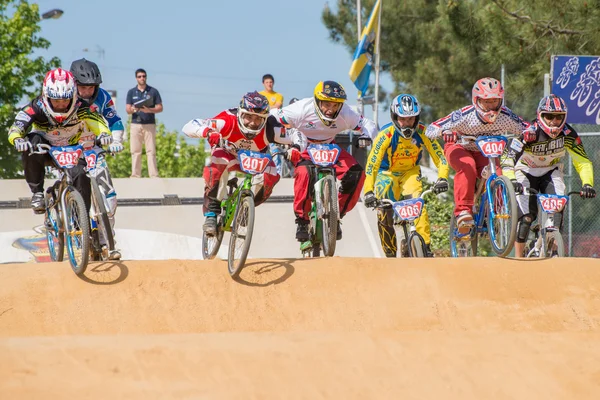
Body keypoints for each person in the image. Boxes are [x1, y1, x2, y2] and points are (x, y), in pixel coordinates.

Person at [7, 68, 121, 260]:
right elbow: (16, 126)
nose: (60, 105)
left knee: (81, 174)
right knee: (30, 142)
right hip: (46, 149)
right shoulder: (35, 107)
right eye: (56, 100)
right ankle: (37, 193)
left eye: (65, 100)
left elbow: (98, 123)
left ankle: (80, 217)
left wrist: (105, 136)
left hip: (71, 150)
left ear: (73, 95)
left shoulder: (82, 106)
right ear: (46, 95)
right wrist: (17, 138)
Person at [182, 91, 307, 235]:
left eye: (258, 119)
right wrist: (209, 132)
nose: (253, 123)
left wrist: (296, 148)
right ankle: (211, 213)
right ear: (240, 114)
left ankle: (246, 207)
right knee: (216, 165)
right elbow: (190, 125)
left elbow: (297, 135)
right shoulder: (227, 120)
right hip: (227, 154)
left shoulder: (271, 128)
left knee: (272, 174)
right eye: (248, 117)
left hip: (255, 159)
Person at [271, 80, 377, 241]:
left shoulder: (345, 113)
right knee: (304, 173)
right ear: (317, 101)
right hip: (305, 147)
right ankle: (302, 220)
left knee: (357, 174)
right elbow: (273, 117)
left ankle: (336, 215)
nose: (331, 110)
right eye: (327, 104)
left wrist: (366, 136)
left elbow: (368, 124)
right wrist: (285, 140)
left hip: (330, 147)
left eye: (335, 105)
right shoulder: (301, 108)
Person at [425, 77, 528, 234]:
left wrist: (530, 133)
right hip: (459, 146)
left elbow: (526, 127)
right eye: (486, 101)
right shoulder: (464, 115)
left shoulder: (506, 116)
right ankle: (463, 211)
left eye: (494, 101)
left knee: (498, 174)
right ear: (476, 100)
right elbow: (431, 128)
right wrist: (445, 132)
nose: (490, 106)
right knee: (468, 166)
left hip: (484, 151)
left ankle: (493, 213)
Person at [502, 94, 596, 257]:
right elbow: (507, 157)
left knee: (558, 208)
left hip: (551, 172)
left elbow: (583, 161)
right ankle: (518, 259)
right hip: (525, 172)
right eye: (549, 116)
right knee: (526, 218)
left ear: (564, 117)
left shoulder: (568, 134)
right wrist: (511, 179)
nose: (553, 121)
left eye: (558, 117)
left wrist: (587, 184)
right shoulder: (529, 132)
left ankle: (551, 246)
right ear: (540, 115)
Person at [363, 94, 450, 257]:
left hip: (410, 172)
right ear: (394, 117)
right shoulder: (385, 135)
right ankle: (390, 253)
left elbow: (441, 159)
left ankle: (426, 248)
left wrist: (442, 178)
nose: (407, 124)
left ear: (417, 118)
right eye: (403, 119)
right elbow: (371, 165)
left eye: (411, 119)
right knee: (384, 210)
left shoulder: (424, 132)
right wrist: (368, 191)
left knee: (418, 205)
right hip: (386, 173)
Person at [70, 58, 125, 259]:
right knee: (76, 186)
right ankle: (74, 227)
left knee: (109, 197)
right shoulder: (65, 98)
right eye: (83, 87)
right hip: (70, 151)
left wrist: (116, 140)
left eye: (91, 87)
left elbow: (115, 120)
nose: (87, 92)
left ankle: (107, 241)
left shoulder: (102, 97)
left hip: (94, 150)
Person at [126, 68, 163, 178]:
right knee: (135, 150)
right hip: (135, 124)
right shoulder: (131, 92)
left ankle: (153, 174)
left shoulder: (153, 91)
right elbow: (127, 109)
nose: (142, 78)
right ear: (136, 78)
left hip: (149, 123)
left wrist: (149, 110)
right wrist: (134, 109)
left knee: (151, 150)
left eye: (144, 76)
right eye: (139, 76)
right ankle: (135, 174)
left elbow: (160, 107)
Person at [259, 74, 286, 175]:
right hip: (261, 127)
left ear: (273, 83)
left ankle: (277, 174)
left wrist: (263, 107)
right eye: (267, 82)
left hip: (273, 127)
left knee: (275, 152)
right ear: (263, 83)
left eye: (270, 82)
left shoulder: (278, 96)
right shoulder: (259, 95)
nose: (269, 84)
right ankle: (261, 173)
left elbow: (277, 107)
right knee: (261, 151)